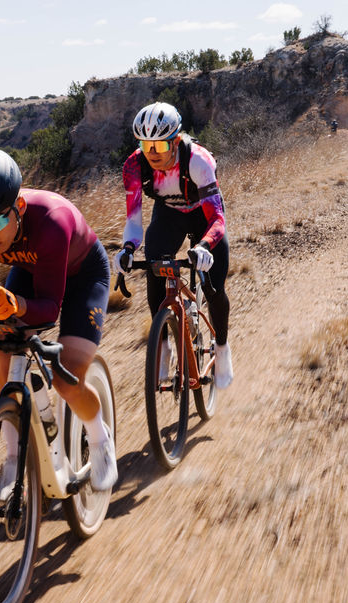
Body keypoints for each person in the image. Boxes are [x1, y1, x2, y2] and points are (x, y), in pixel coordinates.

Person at [0, 147, 116, 499]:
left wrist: (17, 304)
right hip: (29, 274)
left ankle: (100, 439)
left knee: (66, 378)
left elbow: (49, 310)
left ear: (19, 208)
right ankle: (12, 459)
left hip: (83, 277)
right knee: (4, 348)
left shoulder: (51, 221)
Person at [112, 102, 233, 389]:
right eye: (145, 144)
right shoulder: (133, 165)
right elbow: (133, 219)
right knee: (155, 266)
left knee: (214, 288)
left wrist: (204, 246)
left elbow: (217, 218)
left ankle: (223, 349)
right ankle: (163, 345)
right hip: (170, 215)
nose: (152, 153)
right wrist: (128, 249)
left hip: (204, 217)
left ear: (176, 141)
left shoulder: (198, 160)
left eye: (161, 146)